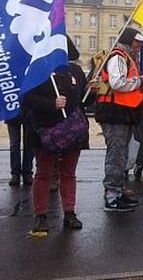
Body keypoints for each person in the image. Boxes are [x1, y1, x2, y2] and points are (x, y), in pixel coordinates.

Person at [22, 36, 92, 232]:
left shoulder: (76, 71)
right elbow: (27, 101)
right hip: (45, 131)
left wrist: (91, 92)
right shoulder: (37, 70)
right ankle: (40, 215)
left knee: (68, 174)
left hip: (72, 131)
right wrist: (51, 104)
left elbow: (82, 101)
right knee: (43, 173)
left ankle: (69, 213)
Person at [96, 26, 143, 212]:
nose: (140, 45)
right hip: (115, 113)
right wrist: (139, 82)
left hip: (122, 113)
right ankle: (112, 197)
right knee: (116, 155)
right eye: (137, 42)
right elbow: (116, 83)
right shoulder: (119, 56)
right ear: (129, 41)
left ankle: (117, 192)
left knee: (121, 155)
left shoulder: (126, 57)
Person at [6, 115, 33, 186]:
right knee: (14, 144)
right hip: (12, 113)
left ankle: (27, 172)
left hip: (28, 112)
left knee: (29, 143)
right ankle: (15, 174)